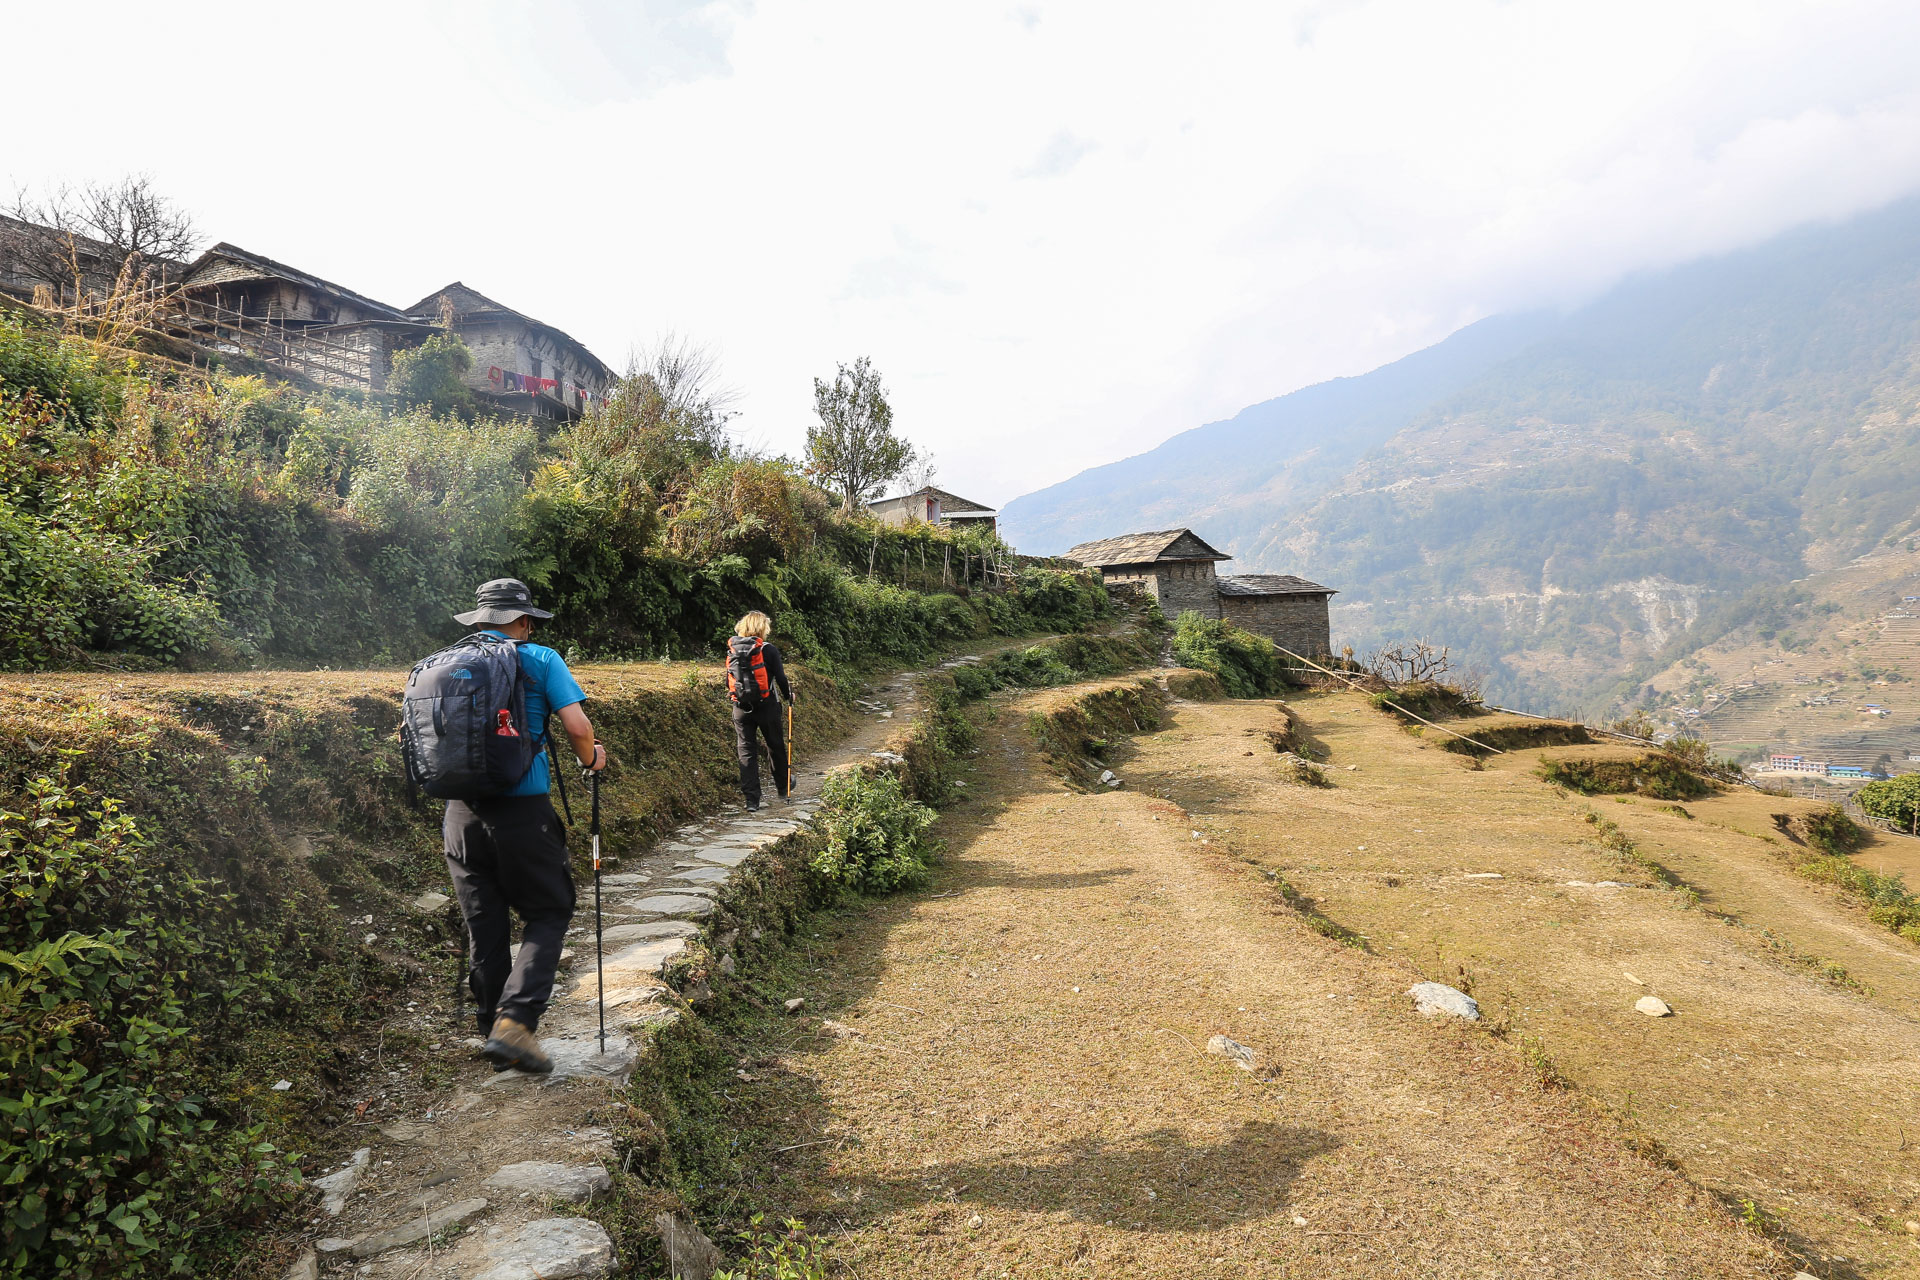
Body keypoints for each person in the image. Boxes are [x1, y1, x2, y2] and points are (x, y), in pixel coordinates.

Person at [444, 578, 608, 1074]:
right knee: (550, 908)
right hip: (522, 813)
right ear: (523, 621)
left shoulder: (449, 662)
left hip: (460, 816)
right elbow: (578, 727)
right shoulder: (539, 659)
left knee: (485, 926)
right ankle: (515, 1023)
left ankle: (493, 1032)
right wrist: (592, 761)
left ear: (480, 622)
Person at [727, 611, 793, 812]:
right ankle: (783, 788)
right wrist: (789, 696)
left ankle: (752, 801)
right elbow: (780, 678)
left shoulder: (733, 649)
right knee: (775, 745)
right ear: (763, 628)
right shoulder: (768, 650)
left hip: (741, 707)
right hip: (767, 705)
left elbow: (729, 678)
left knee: (746, 751)